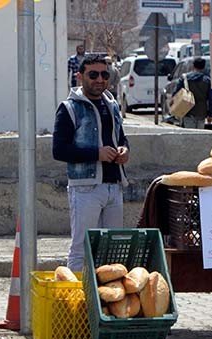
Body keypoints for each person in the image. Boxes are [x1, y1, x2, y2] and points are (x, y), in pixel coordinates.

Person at [53, 55, 130, 272]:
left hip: (114, 185)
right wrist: (96, 154)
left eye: (105, 74)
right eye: (93, 74)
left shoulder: (112, 104)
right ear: (80, 77)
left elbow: (121, 137)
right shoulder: (69, 108)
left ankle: (106, 301)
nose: (99, 79)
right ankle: (74, 301)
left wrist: (125, 151)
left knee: (114, 250)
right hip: (85, 188)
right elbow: (59, 150)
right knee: (81, 249)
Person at [172, 57, 212, 129]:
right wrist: (210, 114)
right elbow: (211, 99)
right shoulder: (207, 80)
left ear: (193, 66)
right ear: (204, 67)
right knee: (200, 135)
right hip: (201, 112)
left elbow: (175, 93)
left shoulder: (184, 78)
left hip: (187, 110)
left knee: (189, 134)